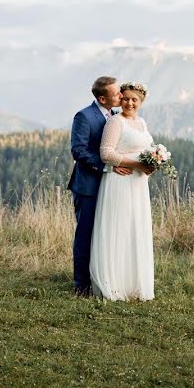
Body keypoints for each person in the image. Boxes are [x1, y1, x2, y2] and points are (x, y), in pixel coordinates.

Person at [89, 81, 156, 301]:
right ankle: (114, 283)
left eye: (134, 100)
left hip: (138, 185)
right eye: (125, 98)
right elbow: (106, 153)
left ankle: (134, 284)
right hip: (119, 182)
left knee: (135, 229)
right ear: (120, 100)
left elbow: (149, 149)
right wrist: (135, 165)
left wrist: (154, 162)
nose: (129, 103)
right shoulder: (115, 122)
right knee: (119, 229)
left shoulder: (142, 123)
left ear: (141, 102)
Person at [67, 76, 134, 296]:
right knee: (85, 235)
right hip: (88, 186)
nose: (121, 96)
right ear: (103, 98)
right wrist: (108, 166)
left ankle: (102, 280)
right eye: (117, 94)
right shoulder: (84, 116)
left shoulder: (116, 116)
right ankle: (81, 286)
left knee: (106, 234)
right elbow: (79, 151)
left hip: (111, 187)